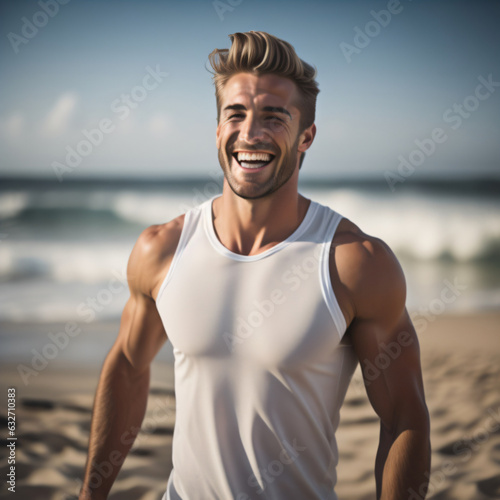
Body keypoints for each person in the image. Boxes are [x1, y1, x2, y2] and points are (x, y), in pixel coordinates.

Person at [79, 31, 431, 500]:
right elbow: (127, 362)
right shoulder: (161, 250)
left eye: (273, 117)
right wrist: (90, 494)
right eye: (236, 114)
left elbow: (405, 418)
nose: (250, 133)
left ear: (306, 136)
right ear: (217, 129)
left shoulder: (354, 264)